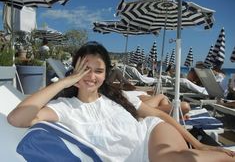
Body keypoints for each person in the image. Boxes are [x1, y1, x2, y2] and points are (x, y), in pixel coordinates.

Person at [7, 41, 235, 161]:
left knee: (172, 160)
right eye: (85, 69)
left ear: (106, 75)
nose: (92, 76)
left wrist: (198, 144)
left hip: (153, 136)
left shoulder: (117, 96)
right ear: (74, 70)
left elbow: (160, 116)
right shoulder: (64, 108)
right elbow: (17, 118)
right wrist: (64, 83)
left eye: (98, 70)